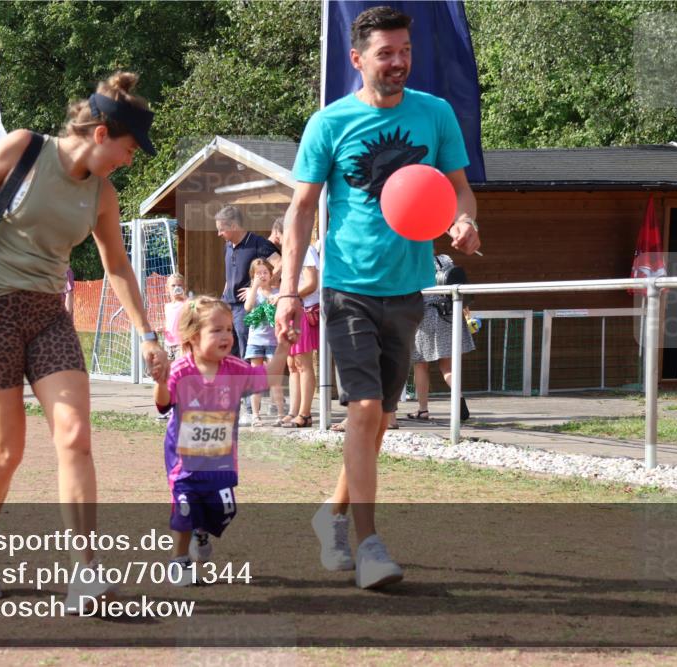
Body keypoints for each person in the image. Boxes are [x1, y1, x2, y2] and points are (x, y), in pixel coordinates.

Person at [0, 71, 168, 610]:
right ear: (102, 134)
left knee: (76, 436)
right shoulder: (25, 147)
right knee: (8, 450)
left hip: (48, 316)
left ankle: (85, 570)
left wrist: (147, 333)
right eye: (131, 149)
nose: (131, 161)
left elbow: (119, 269)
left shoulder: (103, 193)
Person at [275, 6, 480, 589]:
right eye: (386, 53)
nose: (398, 63)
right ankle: (369, 546)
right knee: (363, 412)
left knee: (381, 421)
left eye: (405, 52)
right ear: (358, 59)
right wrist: (290, 291)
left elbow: (460, 192)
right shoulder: (330, 123)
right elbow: (300, 210)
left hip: (408, 290)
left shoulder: (435, 115)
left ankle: (331, 516)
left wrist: (464, 223)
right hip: (347, 291)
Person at [154, 296, 287, 585]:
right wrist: (160, 382)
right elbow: (163, 405)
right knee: (184, 506)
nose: (226, 335)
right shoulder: (181, 369)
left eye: (228, 328)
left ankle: (202, 531)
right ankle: (179, 560)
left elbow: (270, 377)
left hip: (220, 461)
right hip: (183, 461)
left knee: (224, 510)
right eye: (216, 330)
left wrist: (284, 345)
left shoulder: (235, 369)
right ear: (192, 336)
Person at [408, 254, 476, 421]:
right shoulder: (445, 260)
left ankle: (423, 410)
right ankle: (458, 399)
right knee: (447, 368)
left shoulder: (411, 261)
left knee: (420, 364)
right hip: (449, 314)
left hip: (425, 316)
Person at [216, 205, 280, 361]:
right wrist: (222, 299)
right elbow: (229, 276)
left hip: (246, 308)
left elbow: (280, 263)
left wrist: (256, 288)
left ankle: (248, 385)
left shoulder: (258, 243)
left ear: (233, 226)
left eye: (221, 229)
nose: (219, 234)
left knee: (247, 354)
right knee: (227, 351)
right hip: (227, 305)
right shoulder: (228, 246)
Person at [279, 239, 320, 428]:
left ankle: (305, 413)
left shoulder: (306, 250)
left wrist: (287, 297)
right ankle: (293, 411)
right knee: (292, 364)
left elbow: (311, 283)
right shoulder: (290, 254)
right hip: (292, 310)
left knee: (303, 364)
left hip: (304, 311)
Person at [243, 258, 287, 425]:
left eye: (265, 272)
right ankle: (256, 415)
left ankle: (281, 415)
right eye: (258, 273)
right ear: (253, 276)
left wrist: (272, 297)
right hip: (255, 342)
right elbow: (248, 307)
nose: (262, 275)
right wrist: (254, 287)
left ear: (270, 274)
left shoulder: (276, 293)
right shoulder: (252, 292)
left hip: (272, 341)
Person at [162, 273, 188, 360]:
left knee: (180, 367)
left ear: (184, 288)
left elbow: (194, 306)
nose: (177, 288)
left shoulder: (185, 304)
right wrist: (163, 328)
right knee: (169, 370)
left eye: (179, 285)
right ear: (167, 289)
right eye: (173, 285)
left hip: (181, 344)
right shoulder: (167, 306)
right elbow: (168, 322)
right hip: (168, 343)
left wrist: (185, 297)